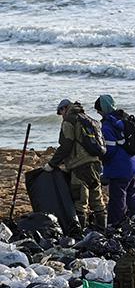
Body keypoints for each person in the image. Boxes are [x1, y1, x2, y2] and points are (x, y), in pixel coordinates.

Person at [47, 98, 106, 231]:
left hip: (80, 166)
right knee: (97, 199)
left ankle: (81, 232)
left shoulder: (69, 121)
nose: (61, 115)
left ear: (64, 109)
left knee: (80, 200)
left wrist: (52, 164)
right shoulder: (87, 119)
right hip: (95, 163)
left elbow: (66, 145)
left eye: (60, 112)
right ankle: (103, 229)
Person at [94, 95, 135, 227]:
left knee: (117, 199)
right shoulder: (124, 119)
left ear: (103, 110)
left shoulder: (107, 125)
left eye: (98, 110)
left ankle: (114, 225)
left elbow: (109, 150)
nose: (98, 113)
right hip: (134, 165)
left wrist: (101, 159)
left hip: (119, 169)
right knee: (132, 195)